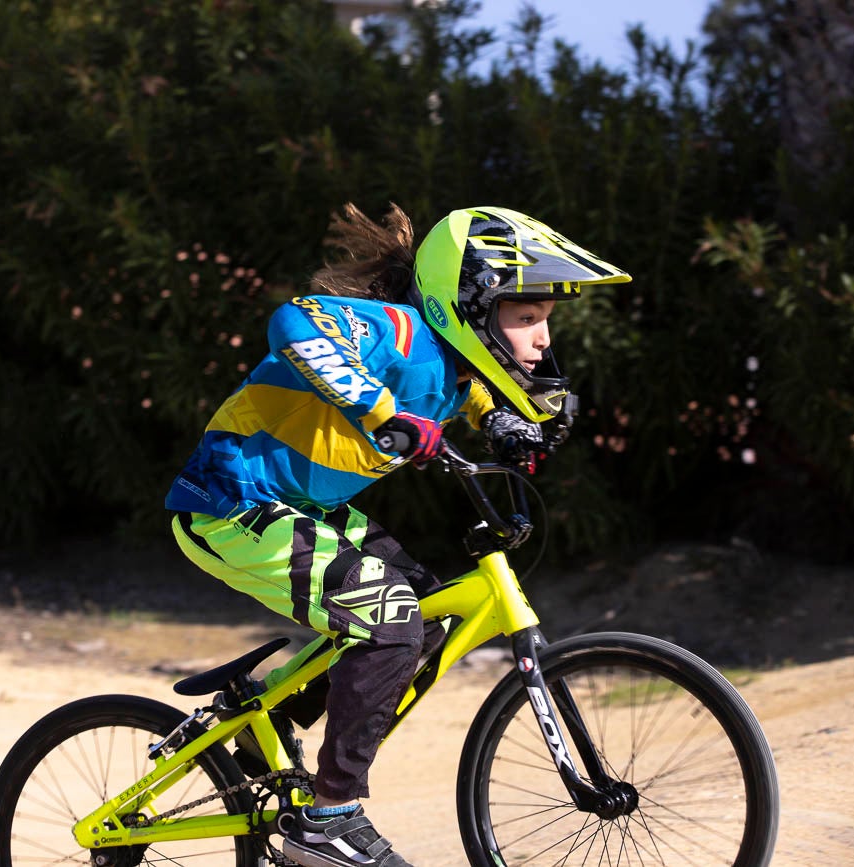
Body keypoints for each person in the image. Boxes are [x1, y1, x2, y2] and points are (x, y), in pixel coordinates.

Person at [165, 204, 630, 867]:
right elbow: (295, 320)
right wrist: (382, 413)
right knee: (390, 621)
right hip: (231, 502)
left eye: (546, 319)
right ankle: (329, 817)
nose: (542, 338)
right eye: (527, 317)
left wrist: (499, 422)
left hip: (307, 506)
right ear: (470, 308)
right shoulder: (400, 331)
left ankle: (268, 722)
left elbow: (458, 391)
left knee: (427, 617)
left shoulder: (454, 369)